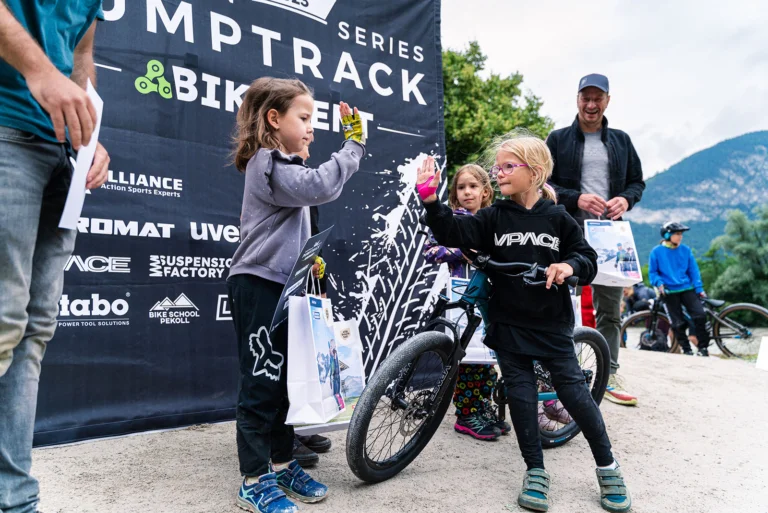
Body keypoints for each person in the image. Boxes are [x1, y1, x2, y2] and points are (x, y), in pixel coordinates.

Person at [417, 135, 631, 513]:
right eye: (496, 167)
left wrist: (569, 266)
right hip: (507, 325)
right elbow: (453, 232)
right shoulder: (493, 216)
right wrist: (432, 201)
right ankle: (535, 469)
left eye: (506, 166)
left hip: (551, 326)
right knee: (520, 395)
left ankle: (608, 466)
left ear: (534, 172)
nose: (497, 173)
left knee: (576, 396)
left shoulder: (557, 217)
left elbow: (586, 258)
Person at [227, 76, 366, 513]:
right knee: (260, 384)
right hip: (259, 285)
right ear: (273, 118)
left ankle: (283, 463)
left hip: (286, 285)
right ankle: (254, 479)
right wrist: (354, 144)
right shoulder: (267, 162)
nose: (311, 128)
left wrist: (308, 260)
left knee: (285, 384)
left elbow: (297, 214)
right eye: (303, 118)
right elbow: (320, 184)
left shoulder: (281, 165)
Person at [0, 3, 110, 512]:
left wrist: (90, 133)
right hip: (4, 131)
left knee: (33, 330)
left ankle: (15, 500)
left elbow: (81, 53)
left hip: (62, 155)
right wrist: (40, 72)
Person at [547, 73, 645, 407]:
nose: (591, 105)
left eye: (597, 98)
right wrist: (577, 199)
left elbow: (636, 183)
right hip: (569, 232)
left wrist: (626, 200)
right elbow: (544, 186)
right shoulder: (558, 139)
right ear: (577, 99)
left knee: (610, 309)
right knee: (564, 304)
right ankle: (563, 371)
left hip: (610, 237)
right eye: (585, 98)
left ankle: (610, 373)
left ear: (607, 100)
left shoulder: (621, 140)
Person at [423, 164, 510, 440]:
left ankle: (482, 408)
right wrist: (462, 252)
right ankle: (466, 414)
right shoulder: (449, 220)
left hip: (490, 296)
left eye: (473, 186)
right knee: (469, 355)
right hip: (461, 295)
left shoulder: (492, 220)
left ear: (486, 191)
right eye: (461, 187)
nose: (467, 192)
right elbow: (431, 250)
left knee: (487, 355)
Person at [292, 138, 333, 466]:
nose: (309, 146)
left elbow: (312, 234)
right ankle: (282, 436)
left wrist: (316, 264)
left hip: (304, 282)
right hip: (277, 281)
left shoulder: (308, 185)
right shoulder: (277, 177)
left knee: (306, 358)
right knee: (285, 360)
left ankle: (302, 428)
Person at [648, 222, 710, 356]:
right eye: (677, 234)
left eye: (681, 234)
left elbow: (694, 271)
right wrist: (659, 283)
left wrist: (699, 288)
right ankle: (686, 349)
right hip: (669, 291)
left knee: (700, 315)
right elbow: (653, 273)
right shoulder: (656, 252)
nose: (680, 237)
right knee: (677, 323)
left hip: (687, 288)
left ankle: (703, 348)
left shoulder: (686, 250)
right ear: (667, 235)